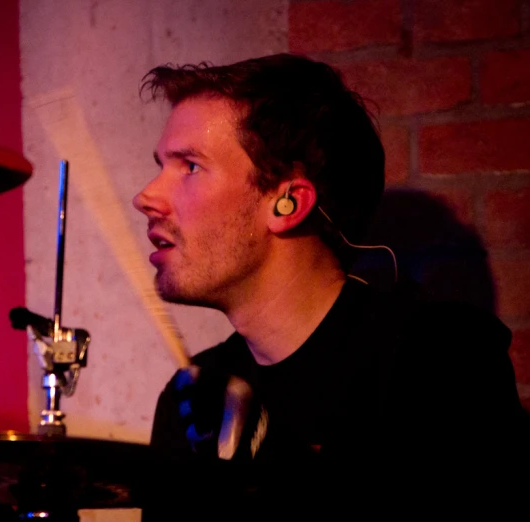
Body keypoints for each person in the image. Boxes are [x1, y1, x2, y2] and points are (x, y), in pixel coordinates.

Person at [132, 54, 528, 519]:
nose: (146, 197)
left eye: (191, 167)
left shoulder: (440, 360)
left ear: (287, 203)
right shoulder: (199, 393)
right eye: (162, 165)